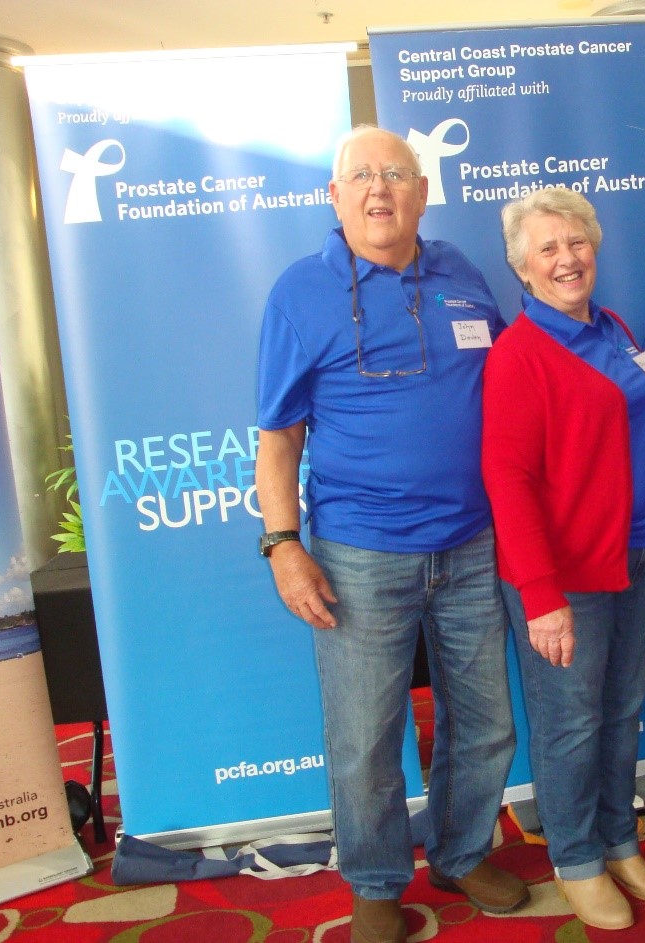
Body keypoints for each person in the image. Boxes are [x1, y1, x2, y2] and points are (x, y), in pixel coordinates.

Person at [255, 126, 527, 943]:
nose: (380, 191)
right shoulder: (298, 293)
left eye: (397, 176)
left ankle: (461, 850)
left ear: (422, 191)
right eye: (362, 178)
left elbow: (514, 386)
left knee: (485, 719)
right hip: (359, 552)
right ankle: (376, 880)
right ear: (334, 198)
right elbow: (278, 440)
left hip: (475, 542)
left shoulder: (462, 274)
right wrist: (283, 543)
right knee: (368, 732)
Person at [481, 187, 645, 932]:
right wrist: (540, 593)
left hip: (636, 557)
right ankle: (577, 858)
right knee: (569, 723)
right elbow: (509, 479)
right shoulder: (519, 354)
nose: (567, 258)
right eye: (548, 249)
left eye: (577, 243)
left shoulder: (616, 327)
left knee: (622, 712)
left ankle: (619, 839)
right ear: (522, 269)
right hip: (565, 575)